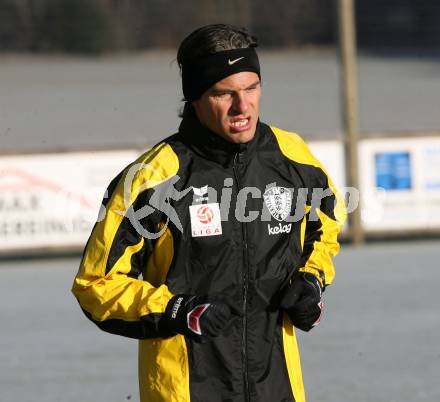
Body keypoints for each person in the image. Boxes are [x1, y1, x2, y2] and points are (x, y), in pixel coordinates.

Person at [72, 24, 346, 402]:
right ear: (196, 97)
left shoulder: (293, 158)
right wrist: (175, 310)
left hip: (277, 388)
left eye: (252, 87)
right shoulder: (153, 179)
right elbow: (95, 285)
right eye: (223, 93)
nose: (242, 106)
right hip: (186, 391)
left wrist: (312, 281)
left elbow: (327, 224)